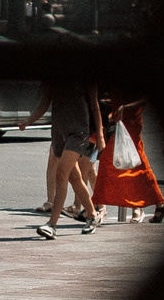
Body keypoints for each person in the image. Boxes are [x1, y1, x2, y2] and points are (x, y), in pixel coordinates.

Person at [21, 82, 103, 239]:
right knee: (74, 177)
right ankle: (93, 215)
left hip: (79, 132)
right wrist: (28, 121)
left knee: (61, 174)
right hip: (59, 133)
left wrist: (100, 135)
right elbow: (44, 103)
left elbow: (94, 104)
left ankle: (52, 225)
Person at [91, 90, 164, 222]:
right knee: (137, 165)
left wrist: (125, 107)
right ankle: (160, 204)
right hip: (122, 121)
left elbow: (146, 99)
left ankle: (96, 206)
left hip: (130, 122)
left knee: (125, 163)